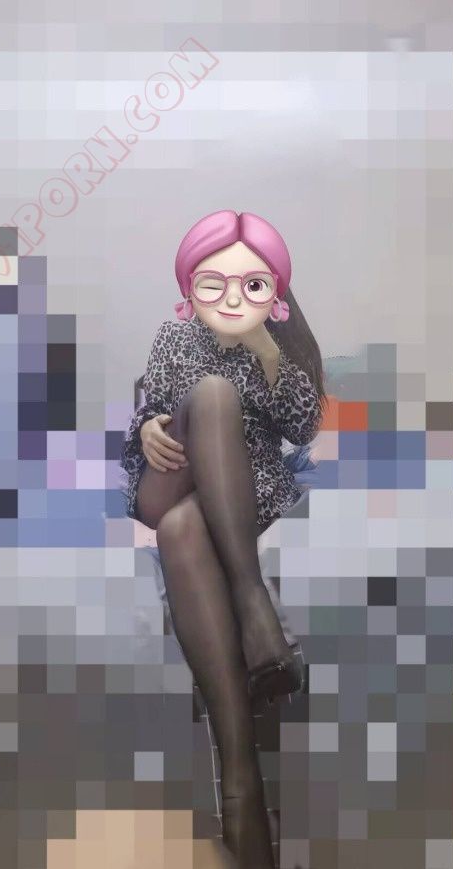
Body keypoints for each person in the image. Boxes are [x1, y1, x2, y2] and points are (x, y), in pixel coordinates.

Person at [119, 210, 327, 867]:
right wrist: (147, 428)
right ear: (191, 287)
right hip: (170, 474)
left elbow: (304, 428)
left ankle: (239, 776)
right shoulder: (173, 336)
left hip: (243, 488)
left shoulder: (279, 345)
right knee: (208, 396)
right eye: (214, 283)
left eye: (252, 285)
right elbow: (150, 409)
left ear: (274, 291)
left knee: (183, 530)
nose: (233, 297)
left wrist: (265, 350)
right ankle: (253, 601)